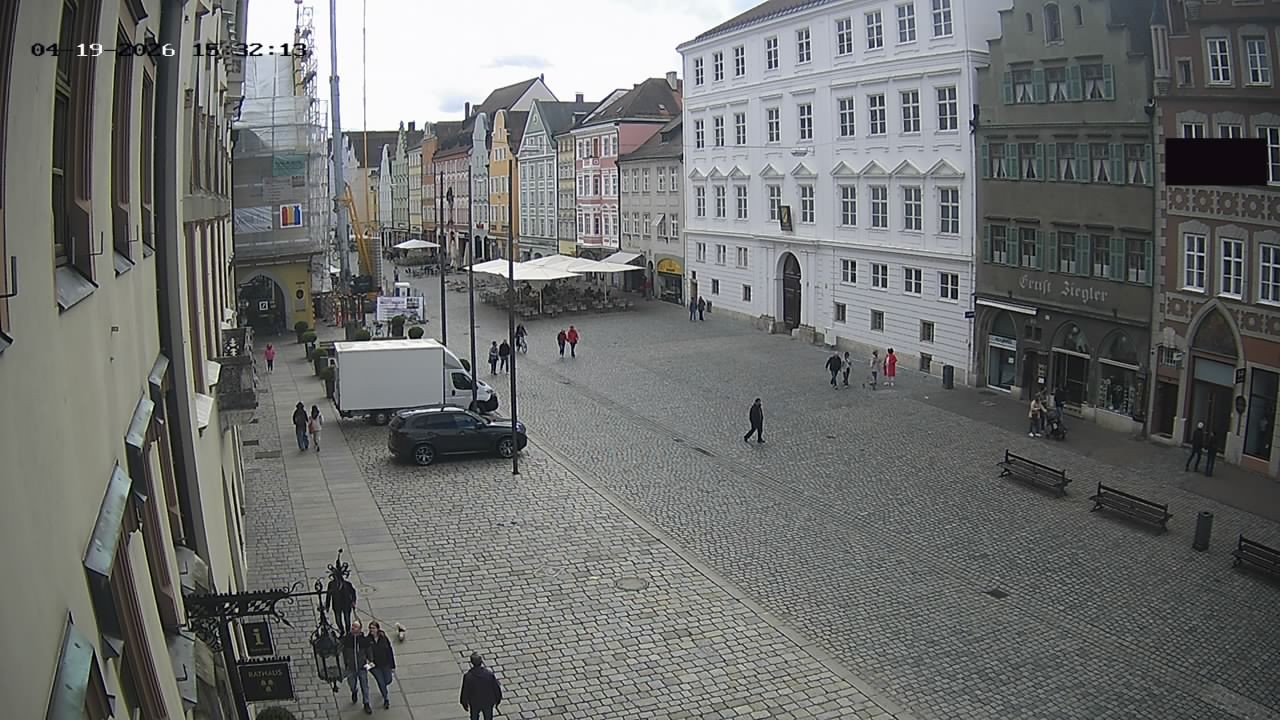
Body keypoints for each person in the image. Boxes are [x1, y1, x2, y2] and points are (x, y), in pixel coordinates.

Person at [342, 621, 374, 715]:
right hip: (351, 668)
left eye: (355, 627)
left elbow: (369, 652)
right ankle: (354, 691)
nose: (353, 628)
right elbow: (343, 652)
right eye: (352, 626)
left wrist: (370, 662)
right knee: (351, 683)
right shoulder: (347, 639)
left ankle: (366, 703)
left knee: (365, 686)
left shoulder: (363, 640)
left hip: (361, 668)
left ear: (359, 629)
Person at [460, 653, 503, 720]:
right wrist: (498, 699)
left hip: (474, 703)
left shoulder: (468, 677)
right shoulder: (489, 674)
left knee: (474, 717)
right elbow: (496, 688)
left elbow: (465, 691)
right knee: (488, 717)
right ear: (481, 661)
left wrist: (464, 702)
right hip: (488, 701)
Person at [367, 621, 396, 710]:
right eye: (370, 628)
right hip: (375, 666)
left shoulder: (384, 638)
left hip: (385, 664)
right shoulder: (368, 640)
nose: (372, 630)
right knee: (381, 682)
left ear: (377, 629)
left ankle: (384, 689)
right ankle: (386, 698)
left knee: (388, 680)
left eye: (373, 628)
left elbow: (389, 651)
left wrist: (392, 665)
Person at [325, 573, 358, 639]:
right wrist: (327, 605)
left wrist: (353, 601)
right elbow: (328, 595)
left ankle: (348, 632)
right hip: (337, 605)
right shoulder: (331, 585)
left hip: (346, 605)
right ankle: (342, 631)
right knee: (338, 620)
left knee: (347, 619)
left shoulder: (347, 584)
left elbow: (353, 592)